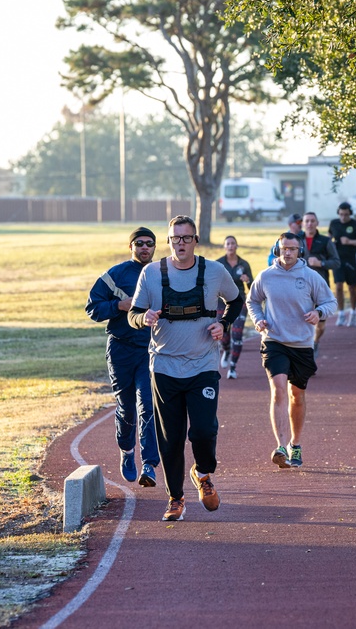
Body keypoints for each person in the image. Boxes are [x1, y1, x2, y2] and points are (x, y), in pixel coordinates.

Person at [128, 216, 243, 521]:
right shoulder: (151, 273)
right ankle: (175, 498)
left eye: (186, 238)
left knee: (204, 430)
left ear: (195, 240)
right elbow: (133, 314)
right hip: (165, 366)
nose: (180, 243)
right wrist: (143, 318)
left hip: (203, 364)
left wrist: (223, 324)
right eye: (175, 238)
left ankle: (203, 473)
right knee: (171, 439)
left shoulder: (214, 271)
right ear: (168, 241)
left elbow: (236, 300)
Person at [247, 232, 336, 469]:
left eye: (292, 249)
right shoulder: (266, 276)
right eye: (284, 248)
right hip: (274, 340)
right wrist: (258, 319)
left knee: (297, 395)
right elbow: (252, 300)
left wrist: (318, 312)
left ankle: (295, 444)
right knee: (278, 390)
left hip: (302, 344)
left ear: (300, 251)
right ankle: (281, 446)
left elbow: (330, 302)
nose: (287, 253)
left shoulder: (310, 276)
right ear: (277, 250)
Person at [85, 227, 161, 488]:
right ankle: (127, 451)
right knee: (127, 407)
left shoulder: (162, 273)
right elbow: (92, 308)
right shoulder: (115, 275)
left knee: (147, 405)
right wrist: (119, 305)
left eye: (149, 243)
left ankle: (149, 464)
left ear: (154, 247)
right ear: (131, 247)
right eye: (139, 243)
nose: (144, 247)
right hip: (120, 349)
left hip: (150, 351)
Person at [300, 211, 340, 356]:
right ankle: (304, 347)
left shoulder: (325, 241)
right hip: (300, 286)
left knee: (321, 324)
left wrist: (321, 263)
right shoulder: (296, 240)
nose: (309, 224)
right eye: (307, 221)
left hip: (320, 286)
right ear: (302, 224)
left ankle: (315, 342)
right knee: (301, 319)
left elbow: (336, 262)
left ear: (317, 223)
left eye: (312, 221)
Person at [215, 235, 252, 379]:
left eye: (233, 243)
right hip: (221, 302)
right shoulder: (218, 264)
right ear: (224, 247)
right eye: (228, 244)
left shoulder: (244, 264)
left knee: (237, 334)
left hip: (239, 302)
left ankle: (232, 367)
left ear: (236, 246)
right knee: (223, 333)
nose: (230, 246)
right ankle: (226, 350)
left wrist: (247, 280)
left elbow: (251, 286)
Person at [328, 201, 356, 327]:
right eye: (341, 214)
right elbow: (329, 236)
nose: (343, 217)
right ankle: (341, 313)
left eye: (346, 215)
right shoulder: (334, 223)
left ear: (350, 214)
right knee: (338, 286)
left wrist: (350, 241)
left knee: (352, 287)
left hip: (353, 260)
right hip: (338, 260)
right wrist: (330, 243)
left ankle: (353, 312)